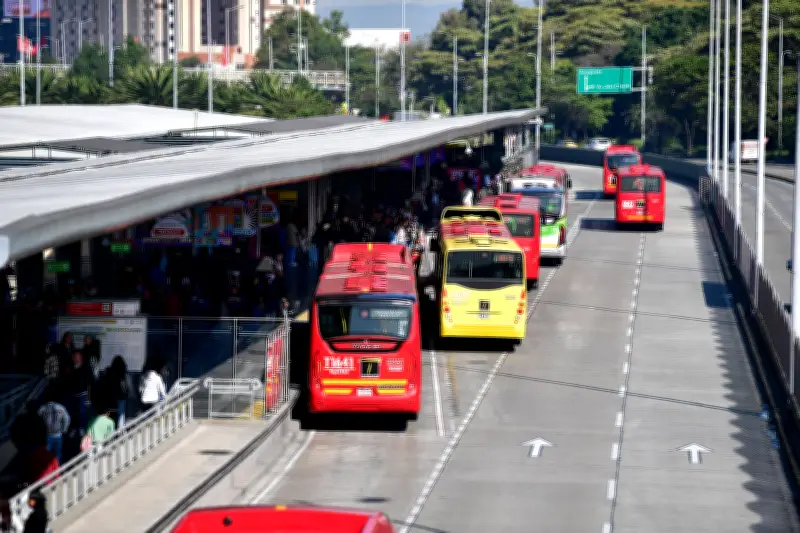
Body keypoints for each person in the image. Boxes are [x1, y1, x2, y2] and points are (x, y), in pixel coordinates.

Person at [37, 387, 70, 464]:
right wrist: (64, 430)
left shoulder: (43, 408)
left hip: (48, 435)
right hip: (58, 434)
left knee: (47, 454)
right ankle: (57, 469)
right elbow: (67, 419)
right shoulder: (60, 407)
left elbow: (37, 416)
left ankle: (48, 470)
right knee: (58, 454)